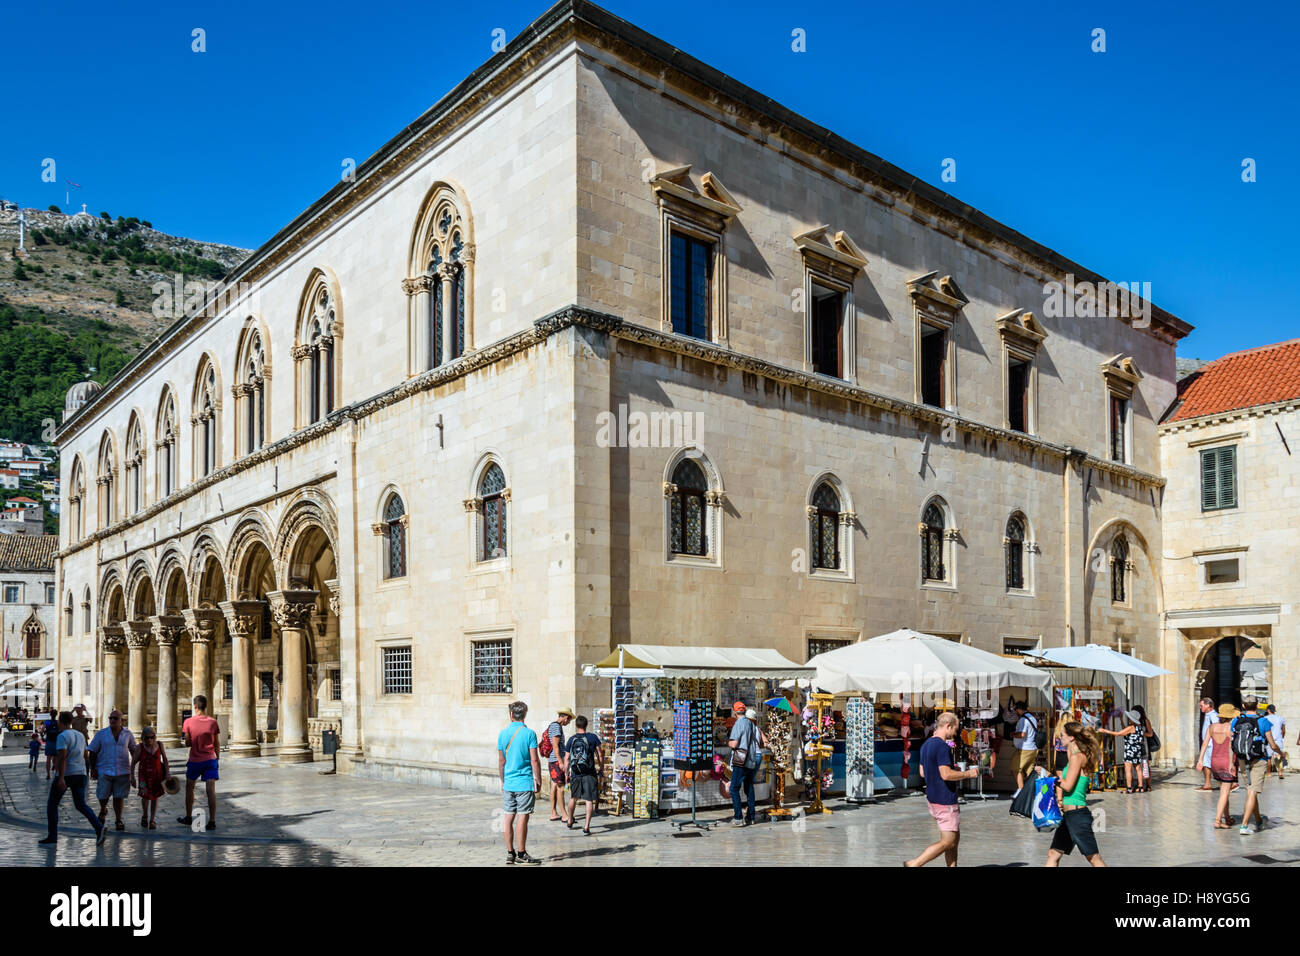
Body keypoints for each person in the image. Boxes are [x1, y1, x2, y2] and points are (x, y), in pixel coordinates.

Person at [905, 711, 978, 867]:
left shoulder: (926, 744)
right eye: (955, 730)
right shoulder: (941, 747)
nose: (955, 734)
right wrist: (968, 773)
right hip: (945, 799)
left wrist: (953, 770)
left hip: (933, 798)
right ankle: (916, 863)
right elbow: (945, 775)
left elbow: (923, 772)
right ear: (948, 726)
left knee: (954, 840)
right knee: (948, 841)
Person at [39, 711, 106, 846]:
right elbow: (85, 754)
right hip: (80, 773)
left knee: (52, 805)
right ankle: (99, 827)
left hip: (67, 774)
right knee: (81, 804)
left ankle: (52, 836)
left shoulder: (62, 736)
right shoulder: (80, 735)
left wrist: (61, 778)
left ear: (61, 722)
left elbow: (63, 756)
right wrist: (85, 772)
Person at [1045, 721, 1106, 867]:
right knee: (1053, 853)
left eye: (1062, 735)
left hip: (1077, 815)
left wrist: (1049, 776)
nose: (1060, 737)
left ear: (1072, 737)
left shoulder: (1077, 757)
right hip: (1068, 816)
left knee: (1094, 858)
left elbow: (1067, 786)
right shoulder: (1073, 755)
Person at [497, 700, 542, 865]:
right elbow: (534, 760)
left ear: (511, 715)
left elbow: (501, 761)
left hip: (509, 782)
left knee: (508, 817)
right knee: (523, 816)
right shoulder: (529, 734)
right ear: (525, 714)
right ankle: (521, 853)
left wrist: (502, 780)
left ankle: (510, 853)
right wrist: (539, 779)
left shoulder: (502, 734)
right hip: (524, 781)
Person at [1230, 696, 1280, 835]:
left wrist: (1231, 762)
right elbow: (1272, 744)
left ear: (1243, 706)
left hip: (1242, 759)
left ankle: (1258, 820)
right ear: (1257, 705)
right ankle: (1244, 826)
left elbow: (1231, 742)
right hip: (1259, 759)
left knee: (1251, 790)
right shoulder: (1263, 721)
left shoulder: (1236, 720)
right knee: (1252, 791)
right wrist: (1280, 752)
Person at [87, 709, 137, 831]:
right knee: (103, 795)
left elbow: (133, 750)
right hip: (105, 768)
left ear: (122, 720)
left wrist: (134, 769)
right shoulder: (101, 734)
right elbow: (92, 751)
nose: (112, 720)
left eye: (115, 718)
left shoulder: (128, 734)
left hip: (122, 770)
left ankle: (118, 819)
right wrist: (93, 768)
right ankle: (103, 809)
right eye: (111, 718)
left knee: (119, 796)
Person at [178, 695, 220, 830]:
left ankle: (189, 817)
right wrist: (217, 757)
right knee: (210, 791)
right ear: (206, 706)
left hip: (195, 760)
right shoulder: (213, 722)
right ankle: (212, 821)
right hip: (210, 759)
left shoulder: (188, 722)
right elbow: (216, 743)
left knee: (190, 788)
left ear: (195, 707)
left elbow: (188, 743)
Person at [1197, 704, 1239, 829]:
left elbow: (1204, 744)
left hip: (1215, 762)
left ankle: (1227, 817)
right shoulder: (1231, 728)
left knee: (1224, 791)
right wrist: (1232, 763)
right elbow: (1232, 747)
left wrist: (1200, 760)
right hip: (1227, 761)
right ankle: (1217, 821)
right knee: (1225, 792)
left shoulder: (1212, 727)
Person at [727, 701, 766, 827]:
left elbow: (734, 744)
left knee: (733, 789)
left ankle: (738, 817)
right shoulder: (750, 724)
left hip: (741, 761)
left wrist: (728, 743)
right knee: (749, 787)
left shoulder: (739, 724)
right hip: (751, 760)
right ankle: (751, 816)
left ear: (734, 712)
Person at [563, 714, 603, 835]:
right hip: (589, 773)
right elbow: (600, 755)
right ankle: (586, 827)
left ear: (576, 725)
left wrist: (566, 773)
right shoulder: (592, 738)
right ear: (586, 725)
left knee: (573, 798)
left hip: (576, 773)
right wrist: (601, 768)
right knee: (588, 800)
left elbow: (567, 758)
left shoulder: (571, 739)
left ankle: (570, 820)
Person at [1100, 708, 1149, 793]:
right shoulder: (1139, 727)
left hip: (1130, 750)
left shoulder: (1131, 727)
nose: (1128, 719)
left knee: (1128, 769)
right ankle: (1140, 787)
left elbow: (1119, 733)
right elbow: (1125, 730)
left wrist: (1105, 730)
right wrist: (1121, 719)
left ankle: (1129, 788)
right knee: (1138, 768)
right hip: (1137, 750)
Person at [130, 726, 170, 830]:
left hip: (157, 775)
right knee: (145, 796)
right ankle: (145, 814)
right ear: (143, 738)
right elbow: (133, 763)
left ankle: (152, 820)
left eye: (152, 737)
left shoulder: (160, 745)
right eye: (147, 738)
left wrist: (168, 773)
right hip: (144, 776)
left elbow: (165, 759)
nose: (150, 740)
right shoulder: (140, 748)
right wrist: (132, 777)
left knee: (155, 797)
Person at [545, 707, 575, 823]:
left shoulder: (553, 726)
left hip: (553, 761)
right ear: (566, 717)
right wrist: (561, 762)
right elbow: (556, 746)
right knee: (561, 787)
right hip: (556, 761)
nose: (569, 722)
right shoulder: (556, 727)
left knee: (554, 786)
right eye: (569, 720)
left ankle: (553, 812)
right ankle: (564, 815)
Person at [1012, 701, 1039, 792]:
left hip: (1025, 749)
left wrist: (1013, 734)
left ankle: (1021, 791)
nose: (1016, 711)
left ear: (1019, 709)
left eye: (1016, 709)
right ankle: (1031, 791)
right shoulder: (1032, 718)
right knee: (1029, 771)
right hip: (1033, 748)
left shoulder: (1023, 720)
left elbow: (1022, 734)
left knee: (1016, 769)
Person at [1195, 697, 1219, 791]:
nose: (1200, 707)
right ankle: (1207, 784)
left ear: (1208, 705)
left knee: (1210, 764)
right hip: (1208, 744)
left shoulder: (1213, 716)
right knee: (1206, 764)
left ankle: (1209, 784)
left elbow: (1216, 729)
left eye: (1201, 705)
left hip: (1211, 744)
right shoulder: (1208, 715)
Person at [1265, 705, 1287, 779]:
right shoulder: (1281, 718)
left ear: (1268, 710)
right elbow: (1283, 730)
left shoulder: (1265, 718)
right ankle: (1280, 773)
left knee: (1269, 757)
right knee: (1279, 756)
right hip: (1278, 739)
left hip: (1268, 739)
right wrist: (1282, 737)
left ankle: (1269, 773)